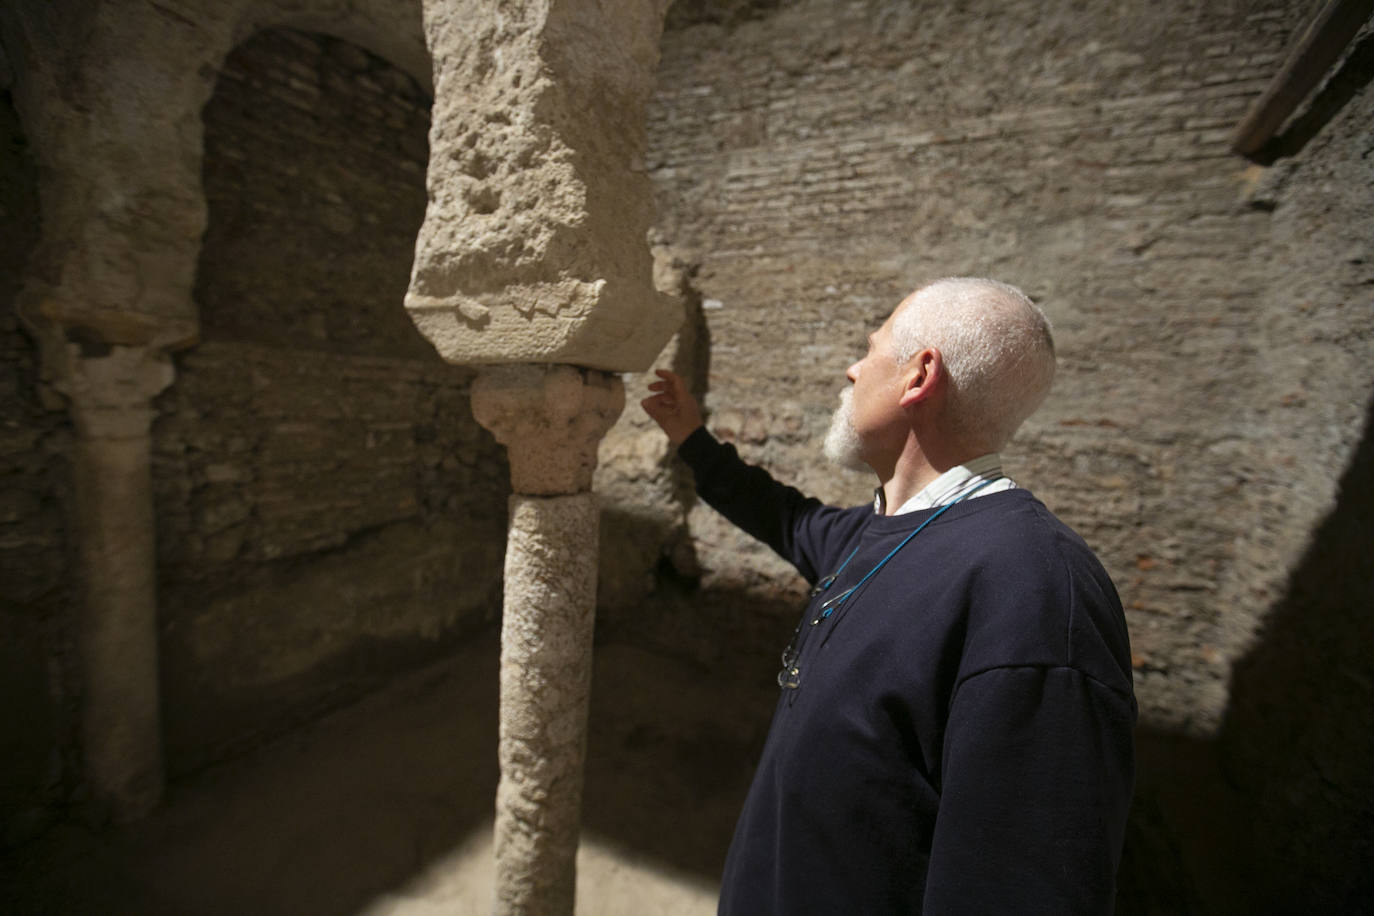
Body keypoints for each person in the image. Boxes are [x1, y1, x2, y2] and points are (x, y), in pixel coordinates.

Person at [641, 277, 1136, 915]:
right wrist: (691, 437)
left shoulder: (1036, 593)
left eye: (870, 350)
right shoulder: (873, 530)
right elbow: (783, 517)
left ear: (918, 376)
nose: (851, 370)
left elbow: (1019, 887)